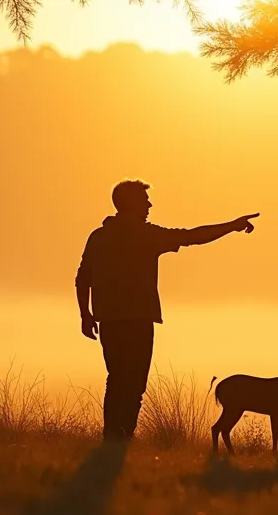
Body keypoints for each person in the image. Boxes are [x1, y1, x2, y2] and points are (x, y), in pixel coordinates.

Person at [76, 180, 258, 441]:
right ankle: (122, 437)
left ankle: (113, 438)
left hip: (110, 321)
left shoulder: (99, 236)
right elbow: (192, 237)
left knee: (116, 380)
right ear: (130, 203)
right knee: (134, 384)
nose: (149, 204)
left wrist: (85, 314)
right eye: (144, 199)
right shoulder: (146, 236)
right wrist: (232, 226)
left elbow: (83, 278)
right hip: (138, 320)